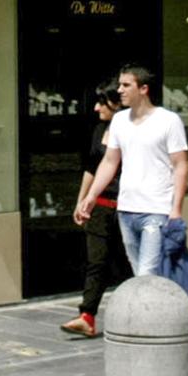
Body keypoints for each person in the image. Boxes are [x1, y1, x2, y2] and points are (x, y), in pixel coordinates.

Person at [76, 63, 188, 351]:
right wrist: (90, 196)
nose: (121, 90)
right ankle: (164, 327)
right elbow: (109, 162)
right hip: (127, 210)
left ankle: (147, 336)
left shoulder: (168, 121)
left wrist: (176, 209)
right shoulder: (120, 122)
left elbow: (180, 166)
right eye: (121, 85)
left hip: (156, 210)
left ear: (143, 89)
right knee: (141, 273)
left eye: (126, 85)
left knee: (147, 273)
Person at [61, 96, 134, 339]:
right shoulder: (99, 130)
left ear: (117, 104)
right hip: (101, 205)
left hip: (129, 205)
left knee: (131, 263)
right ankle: (87, 316)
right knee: (97, 261)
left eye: (102, 103)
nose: (95, 108)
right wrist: (82, 200)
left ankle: (140, 314)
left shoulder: (135, 131)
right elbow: (92, 168)